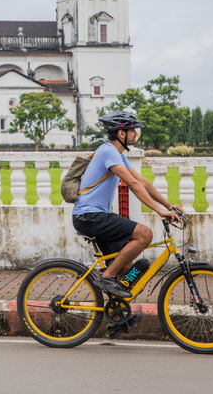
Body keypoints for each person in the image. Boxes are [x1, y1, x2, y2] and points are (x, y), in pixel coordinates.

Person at [72, 110, 181, 299]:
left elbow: (142, 181)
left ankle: (117, 315)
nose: (136, 134)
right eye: (133, 131)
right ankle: (107, 277)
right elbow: (133, 184)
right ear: (121, 133)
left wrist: (168, 205)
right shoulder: (108, 151)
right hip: (90, 216)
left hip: (94, 217)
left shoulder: (117, 154)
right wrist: (159, 211)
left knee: (128, 269)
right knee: (144, 234)